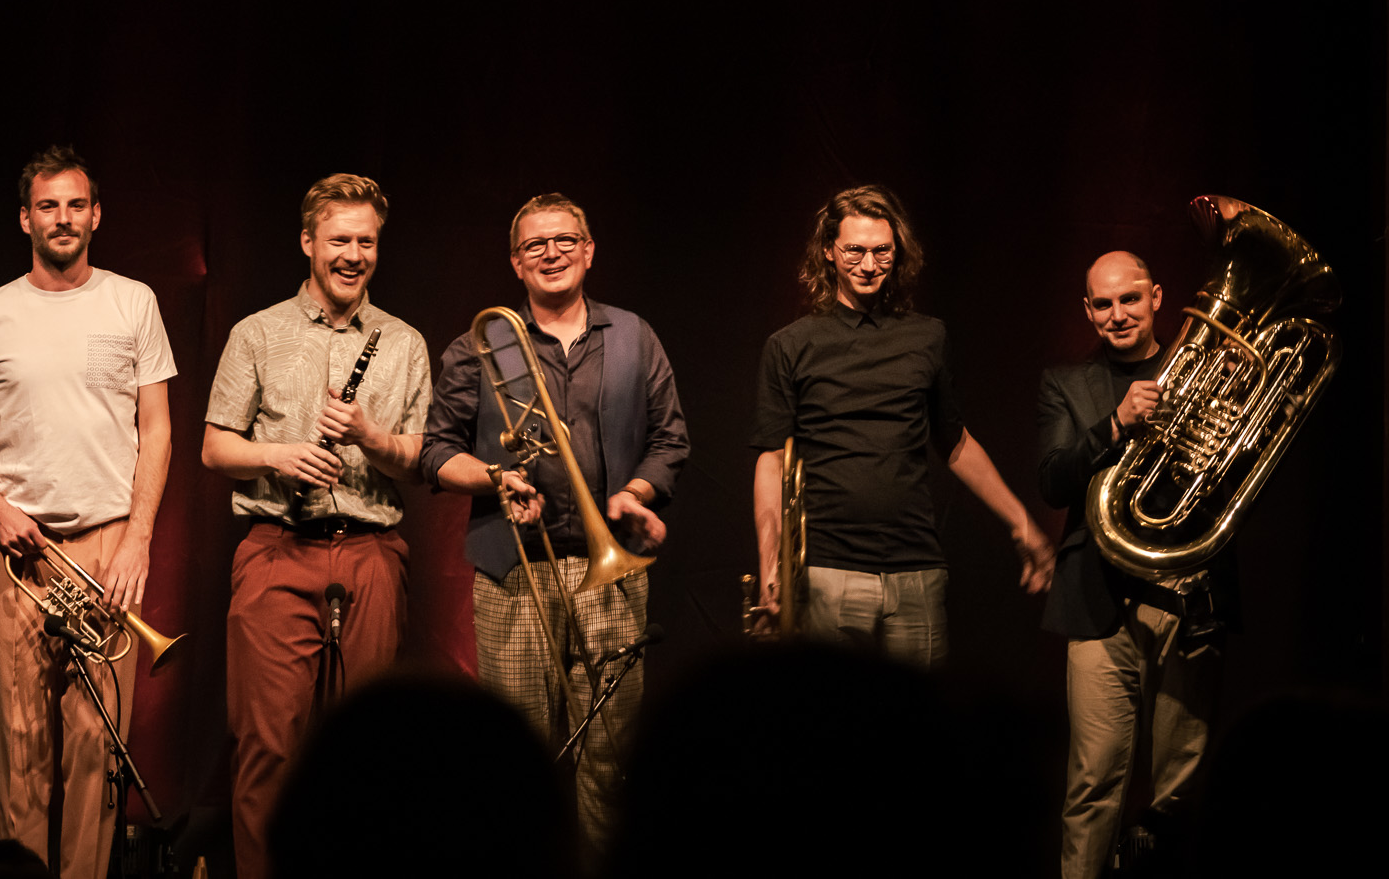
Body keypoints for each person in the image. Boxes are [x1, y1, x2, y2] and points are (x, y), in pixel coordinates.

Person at [418, 193, 687, 853]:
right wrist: (495, 477)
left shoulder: (634, 335)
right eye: (535, 244)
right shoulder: (481, 344)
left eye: (565, 240)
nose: (552, 253)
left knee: (612, 761)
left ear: (589, 251)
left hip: (612, 572)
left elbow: (670, 438)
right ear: (516, 261)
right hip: (514, 574)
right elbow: (436, 451)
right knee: (517, 767)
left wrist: (636, 492)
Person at [201, 175, 432, 879]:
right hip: (278, 546)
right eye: (339, 240)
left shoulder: (404, 342)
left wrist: (369, 435)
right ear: (308, 242)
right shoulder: (257, 332)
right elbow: (215, 448)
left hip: (370, 550)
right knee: (266, 746)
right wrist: (279, 455)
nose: (354, 255)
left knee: (367, 751)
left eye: (367, 242)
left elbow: (418, 459)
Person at [0, 146, 177, 878]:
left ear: (96, 214)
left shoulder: (133, 301)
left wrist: (139, 539)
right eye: (47, 205)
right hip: (19, 550)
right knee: (22, 748)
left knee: (96, 748)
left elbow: (158, 429)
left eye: (75, 204)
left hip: (109, 545)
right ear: (25, 218)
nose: (63, 217)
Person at [750, 183, 1053, 666]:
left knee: (917, 716)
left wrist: (1023, 524)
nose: (869, 265)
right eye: (854, 250)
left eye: (882, 251)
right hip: (828, 572)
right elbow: (772, 458)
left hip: (917, 570)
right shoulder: (790, 345)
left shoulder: (927, 336)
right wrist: (772, 563)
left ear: (898, 252)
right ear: (828, 250)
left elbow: (955, 441)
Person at [1040, 251, 1231, 878]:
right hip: (1097, 599)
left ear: (1156, 298)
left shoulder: (1207, 374)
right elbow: (1053, 481)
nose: (1118, 314)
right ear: (1087, 311)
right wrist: (1115, 424)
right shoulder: (1066, 383)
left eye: (1130, 298)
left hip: (1185, 595)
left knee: (1179, 790)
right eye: (1103, 303)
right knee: (1092, 784)